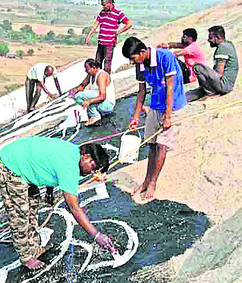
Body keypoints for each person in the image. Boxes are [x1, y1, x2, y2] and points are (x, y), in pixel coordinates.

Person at [0, 136, 117, 270]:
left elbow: (50, 167)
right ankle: (26, 258)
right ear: (86, 156)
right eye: (93, 167)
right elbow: (73, 207)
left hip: (24, 161)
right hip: (11, 165)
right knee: (20, 213)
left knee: (32, 205)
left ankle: (34, 248)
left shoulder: (73, 153)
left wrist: (49, 191)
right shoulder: (70, 166)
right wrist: (97, 235)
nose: (91, 173)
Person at [122, 37, 186, 200]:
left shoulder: (166, 57)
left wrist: (168, 116)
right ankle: (145, 181)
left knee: (161, 145)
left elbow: (170, 87)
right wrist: (135, 116)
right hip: (156, 105)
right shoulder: (140, 65)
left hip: (173, 105)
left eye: (133, 58)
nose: (131, 62)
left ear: (142, 52)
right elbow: (142, 92)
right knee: (151, 145)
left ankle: (153, 183)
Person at [85, 0, 132, 74]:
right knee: (97, 62)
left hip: (110, 42)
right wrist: (89, 35)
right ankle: (96, 80)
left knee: (107, 63)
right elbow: (96, 24)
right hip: (101, 42)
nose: (103, 7)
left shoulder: (118, 13)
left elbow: (128, 24)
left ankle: (106, 80)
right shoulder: (102, 13)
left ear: (110, 3)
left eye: (104, 5)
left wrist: (118, 32)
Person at [189, 26, 238, 100]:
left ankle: (211, 93)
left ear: (217, 37)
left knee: (197, 67)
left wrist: (206, 78)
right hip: (228, 85)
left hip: (224, 86)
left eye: (210, 38)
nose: (208, 40)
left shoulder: (222, 49)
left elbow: (219, 73)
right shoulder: (228, 44)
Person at [71, 59, 116, 126]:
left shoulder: (101, 76)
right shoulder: (91, 75)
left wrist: (89, 101)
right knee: (77, 96)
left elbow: (102, 96)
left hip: (107, 104)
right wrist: (74, 90)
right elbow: (82, 85)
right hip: (99, 103)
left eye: (87, 69)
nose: (86, 71)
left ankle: (95, 116)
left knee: (81, 95)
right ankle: (94, 113)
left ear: (94, 68)